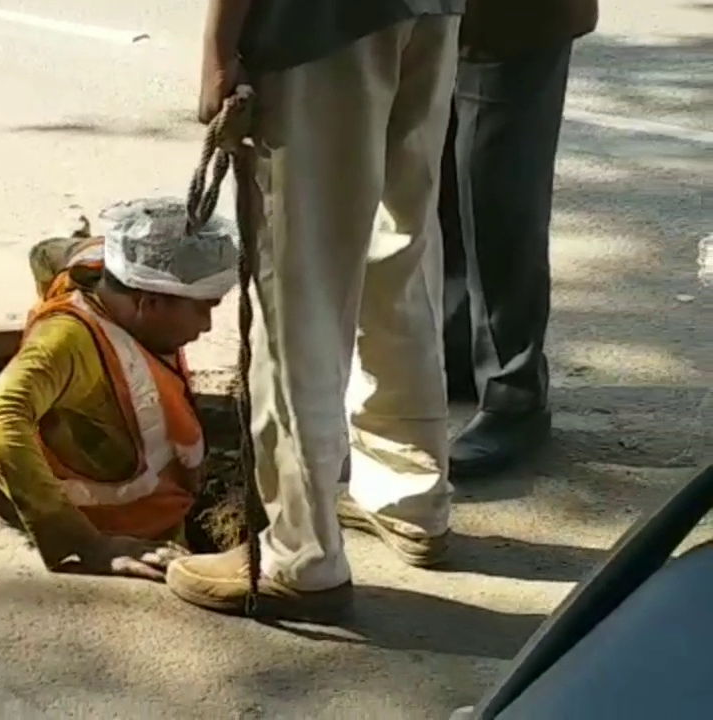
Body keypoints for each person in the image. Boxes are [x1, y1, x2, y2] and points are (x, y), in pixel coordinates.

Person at [165, 0, 466, 616]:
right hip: (430, 13)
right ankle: (410, 497)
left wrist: (218, 52)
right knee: (400, 252)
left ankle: (300, 554)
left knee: (302, 282)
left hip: (318, 27)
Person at [0, 198, 239, 581]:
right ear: (151, 303)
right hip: (125, 532)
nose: (208, 326)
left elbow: (47, 253)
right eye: (204, 308)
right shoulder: (69, 341)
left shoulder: (101, 264)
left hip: (174, 509)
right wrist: (86, 543)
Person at [441, 0, 600, 478]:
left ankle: (514, 393)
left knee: (499, 196)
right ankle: (459, 355)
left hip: (515, 19)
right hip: (426, 20)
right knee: (441, 190)